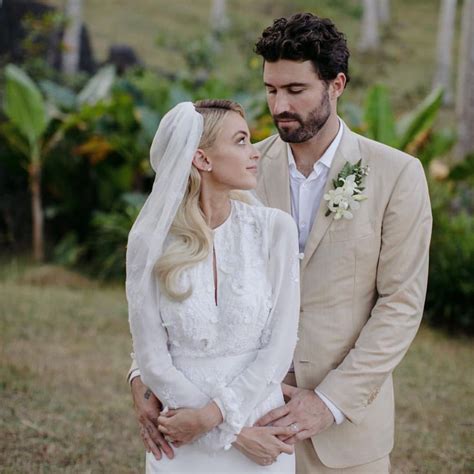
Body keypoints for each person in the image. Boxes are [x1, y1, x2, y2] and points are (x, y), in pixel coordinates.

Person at [130, 12, 432, 473]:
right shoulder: (241, 167)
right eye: (271, 90)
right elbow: (179, 283)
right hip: (243, 423)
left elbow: (401, 303)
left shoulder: (396, 175)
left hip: (344, 432)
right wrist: (140, 378)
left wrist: (328, 401)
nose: (279, 106)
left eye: (296, 91)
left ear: (336, 85)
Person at [126, 99, 300, 473]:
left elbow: (280, 347)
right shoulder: (150, 242)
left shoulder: (274, 230)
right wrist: (228, 432)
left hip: (261, 426)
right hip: (181, 439)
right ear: (202, 159)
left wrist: (215, 417)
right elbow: (152, 359)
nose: (254, 153)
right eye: (240, 141)